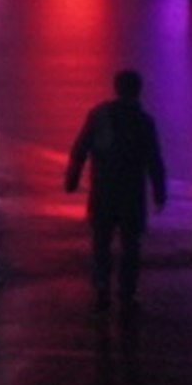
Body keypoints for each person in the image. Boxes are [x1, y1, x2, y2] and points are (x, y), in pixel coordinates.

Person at [66, 69, 169, 311]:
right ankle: (127, 294)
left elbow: (80, 148)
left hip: (103, 190)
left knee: (101, 242)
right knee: (131, 245)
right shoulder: (143, 121)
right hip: (132, 194)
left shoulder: (99, 116)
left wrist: (72, 178)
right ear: (138, 90)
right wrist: (159, 191)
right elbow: (154, 159)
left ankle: (102, 289)